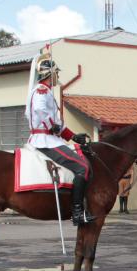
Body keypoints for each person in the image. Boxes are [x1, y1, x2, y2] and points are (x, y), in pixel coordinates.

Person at [25, 49, 94, 225]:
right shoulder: (41, 91)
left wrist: (73, 137)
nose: (57, 77)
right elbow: (42, 112)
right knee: (82, 168)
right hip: (45, 140)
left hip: (50, 138)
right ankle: (77, 212)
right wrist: (51, 126)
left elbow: (58, 124)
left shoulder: (45, 91)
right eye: (56, 74)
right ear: (49, 74)